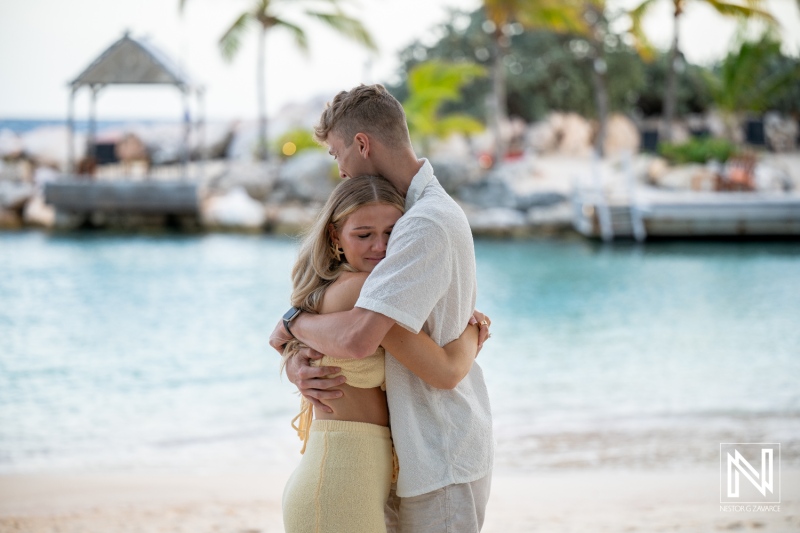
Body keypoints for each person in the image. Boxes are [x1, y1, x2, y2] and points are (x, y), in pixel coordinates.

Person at [271, 83, 494, 533]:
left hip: (438, 453)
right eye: (365, 235)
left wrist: (291, 324)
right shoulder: (420, 216)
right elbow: (357, 338)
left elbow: (358, 338)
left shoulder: (422, 223)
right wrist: (295, 353)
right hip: (410, 455)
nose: (340, 171)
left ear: (362, 144)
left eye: (337, 155)